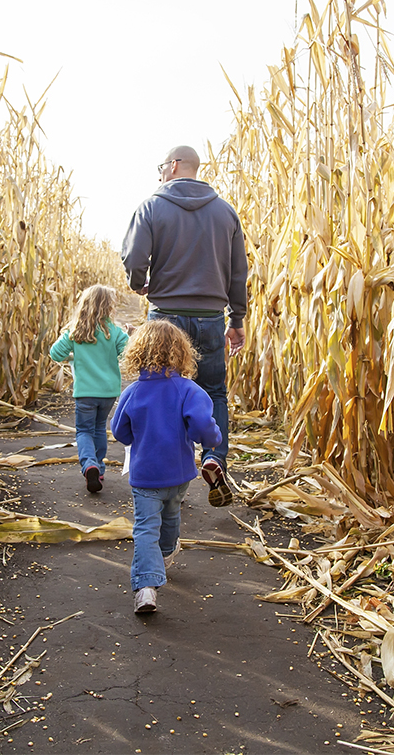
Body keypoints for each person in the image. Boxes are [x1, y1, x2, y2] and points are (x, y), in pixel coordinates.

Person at [120, 145, 248, 507]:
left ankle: (159, 478)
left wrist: (138, 282)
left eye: (162, 167)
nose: (160, 174)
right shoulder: (226, 213)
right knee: (213, 391)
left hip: (165, 316)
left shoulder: (151, 207)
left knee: (157, 391)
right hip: (211, 317)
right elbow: (239, 272)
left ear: (173, 166)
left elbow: (133, 256)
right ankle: (213, 456)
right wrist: (236, 319)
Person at [112, 320, 222, 613]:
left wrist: (138, 432)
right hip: (179, 474)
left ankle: (147, 586)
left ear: (138, 354)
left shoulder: (132, 392)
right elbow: (203, 427)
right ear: (182, 353)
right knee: (171, 515)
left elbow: (119, 432)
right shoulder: (189, 390)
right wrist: (211, 440)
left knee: (146, 527)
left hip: (145, 475)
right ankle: (163, 556)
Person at [49, 285, 129, 492]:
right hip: (109, 391)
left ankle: (89, 464)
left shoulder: (75, 332)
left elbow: (55, 354)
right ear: (109, 307)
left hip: (85, 392)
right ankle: (99, 468)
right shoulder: (115, 332)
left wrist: (74, 357)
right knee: (99, 427)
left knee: (84, 430)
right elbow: (128, 354)